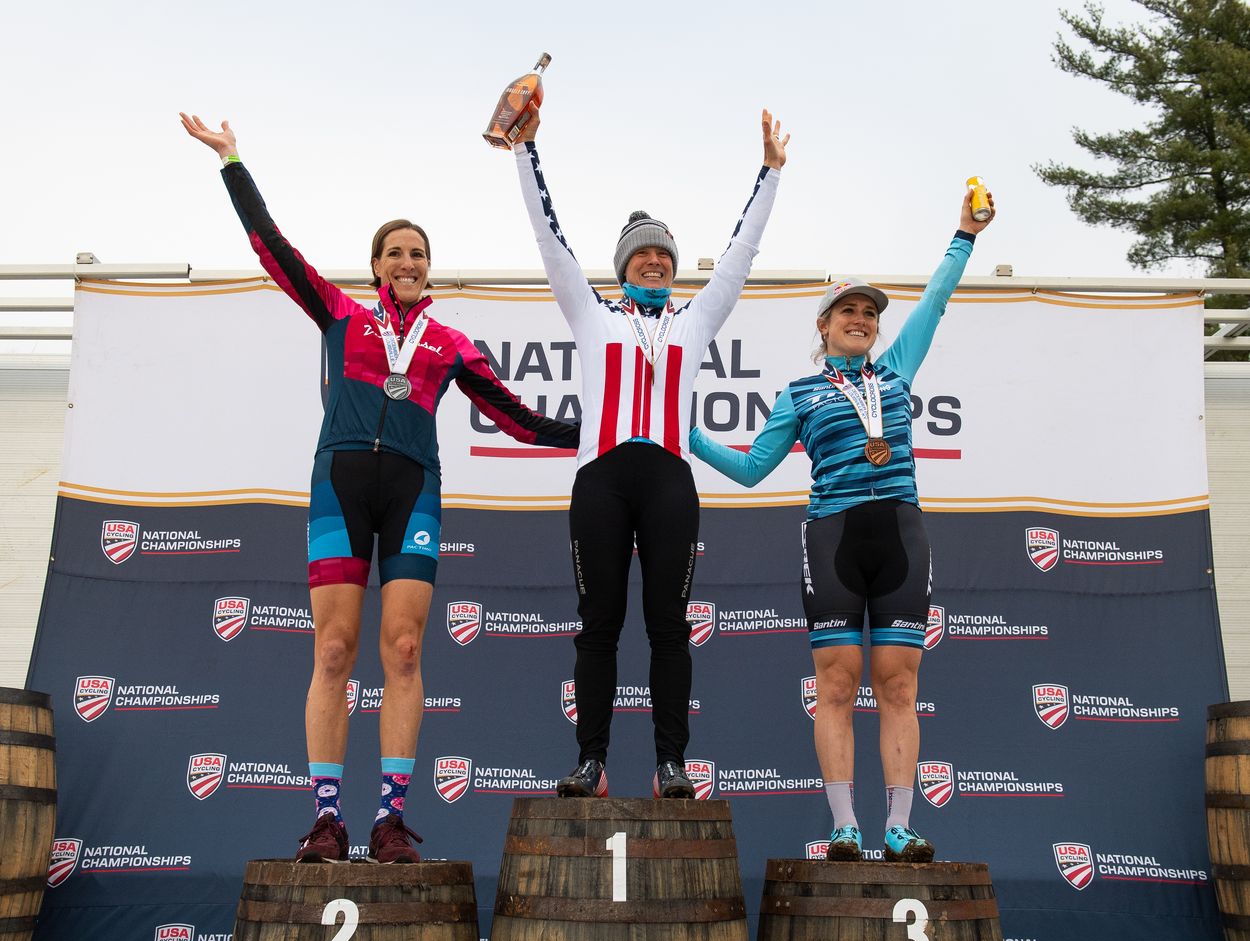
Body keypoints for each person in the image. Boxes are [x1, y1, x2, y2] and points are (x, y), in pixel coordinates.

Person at [180, 113, 578, 862]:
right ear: (374, 267)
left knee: (401, 649)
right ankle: (327, 820)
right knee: (333, 650)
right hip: (339, 481)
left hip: (414, 492)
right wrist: (232, 160)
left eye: (418, 254)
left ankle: (389, 821)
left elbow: (521, 421)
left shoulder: (452, 344)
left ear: (430, 268)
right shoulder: (339, 314)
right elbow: (273, 248)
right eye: (395, 252)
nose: (408, 262)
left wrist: (606, 431)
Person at [689, 187, 995, 860]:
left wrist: (964, 235)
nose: (860, 320)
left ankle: (899, 826)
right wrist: (687, 436)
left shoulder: (894, 371)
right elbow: (751, 470)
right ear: (824, 327)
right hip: (832, 537)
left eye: (868, 314)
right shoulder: (798, 395)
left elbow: (936, 302)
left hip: (901, 536)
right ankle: (845, 826)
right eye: (847, 311)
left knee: (898, 683)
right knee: (835, 683)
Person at [510, 107, 788, 798]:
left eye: (664, 255)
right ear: (624, 265)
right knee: (597, 625)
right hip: (600, 480)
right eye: (643, 255)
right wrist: (525, 150)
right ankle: (591, 761)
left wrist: (771, 173)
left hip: (669, 479)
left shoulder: (696, 318)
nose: (656, 262)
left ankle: (671, 765)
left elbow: (739, 255)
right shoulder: (591, 313)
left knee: (669, 626)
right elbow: (550, 239)